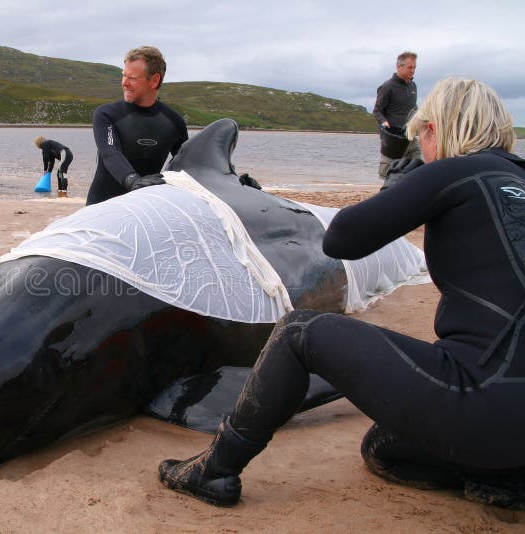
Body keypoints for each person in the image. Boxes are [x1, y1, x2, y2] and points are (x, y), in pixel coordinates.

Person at [158, 77, 525, 509]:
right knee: (384, 447)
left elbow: (342, 239)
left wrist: (410, 187)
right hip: (505, 408)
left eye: (420, 139)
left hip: (485, 402)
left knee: (299, 333)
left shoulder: (456, 170)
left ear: (434, 131)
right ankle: (505, 476)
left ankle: (215, 470)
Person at [85, 46, 188, 205]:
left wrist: (231, 179)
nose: (124, 83)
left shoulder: (174, 122)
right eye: (123, 76)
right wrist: (132, 181)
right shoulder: (107, 114)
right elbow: (110, 153)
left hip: (143, 208)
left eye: (132, 78)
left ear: (154, 80)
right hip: (101, 206)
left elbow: (188, 165)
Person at [373, 51, 421, 180]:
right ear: (399, 67)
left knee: (421, 168)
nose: (413, 70)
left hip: (410, 137)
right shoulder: (387, 87)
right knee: (389, 175)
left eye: (414, 67)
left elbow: (413, 108)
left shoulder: (413, 86)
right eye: (410, 67)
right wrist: (383, 122)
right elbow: (377, 111)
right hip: (392, 139)